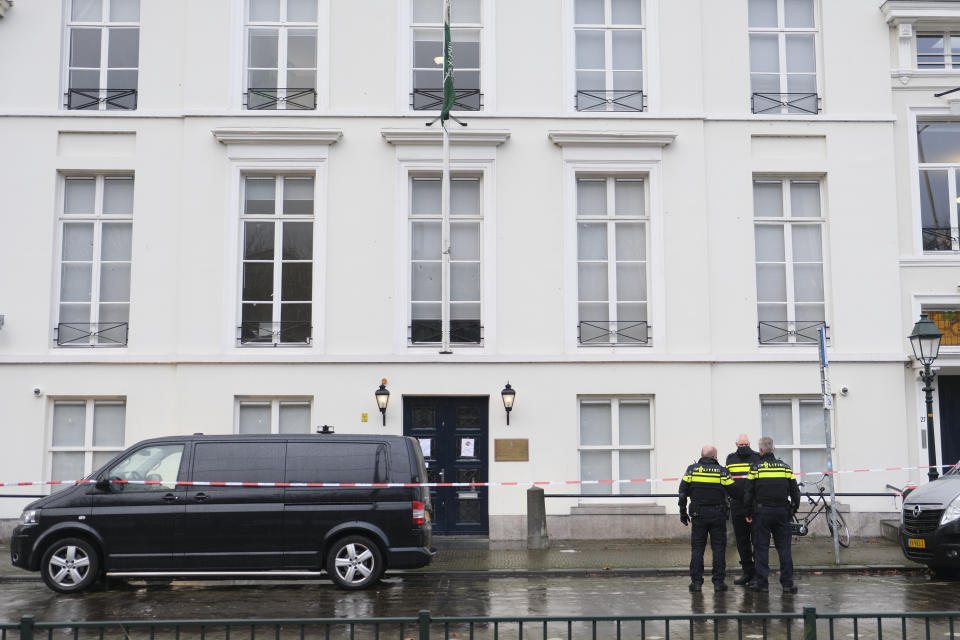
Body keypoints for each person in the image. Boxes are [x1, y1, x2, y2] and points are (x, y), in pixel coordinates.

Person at [744, 436, 801, 594]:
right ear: (773, 449)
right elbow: (796, 492)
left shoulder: (756, 468)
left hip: (761, 513)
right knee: (784, 548)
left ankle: (762, 584)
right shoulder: (785, 468)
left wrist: (748, 512)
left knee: (761, 548)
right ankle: (788, 584)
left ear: (761, 451)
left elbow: (748, 493)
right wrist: (792, 510)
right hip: (782, 512)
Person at [678, 445, 735, 592]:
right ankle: (718, 583)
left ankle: (696, 583)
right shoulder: (722, 471)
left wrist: (683, 512)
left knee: (697, 549)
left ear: (702, 455)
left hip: (698, 516)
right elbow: (735, 491)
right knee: (718, 549)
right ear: (715, 457)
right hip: (718, 515)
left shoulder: (692, 470)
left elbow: (682, 492)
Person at [725, 434, 762, 586]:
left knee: (757, 540)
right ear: (736, 444)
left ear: (750, 443)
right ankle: (747, 572)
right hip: (737, 505)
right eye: (741, 445)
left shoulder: (756, 458)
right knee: (741, 540)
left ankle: (758, 575)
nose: (744, 446)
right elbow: (727, 479)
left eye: (746, 444)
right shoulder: (730, 458)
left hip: (754, 505)